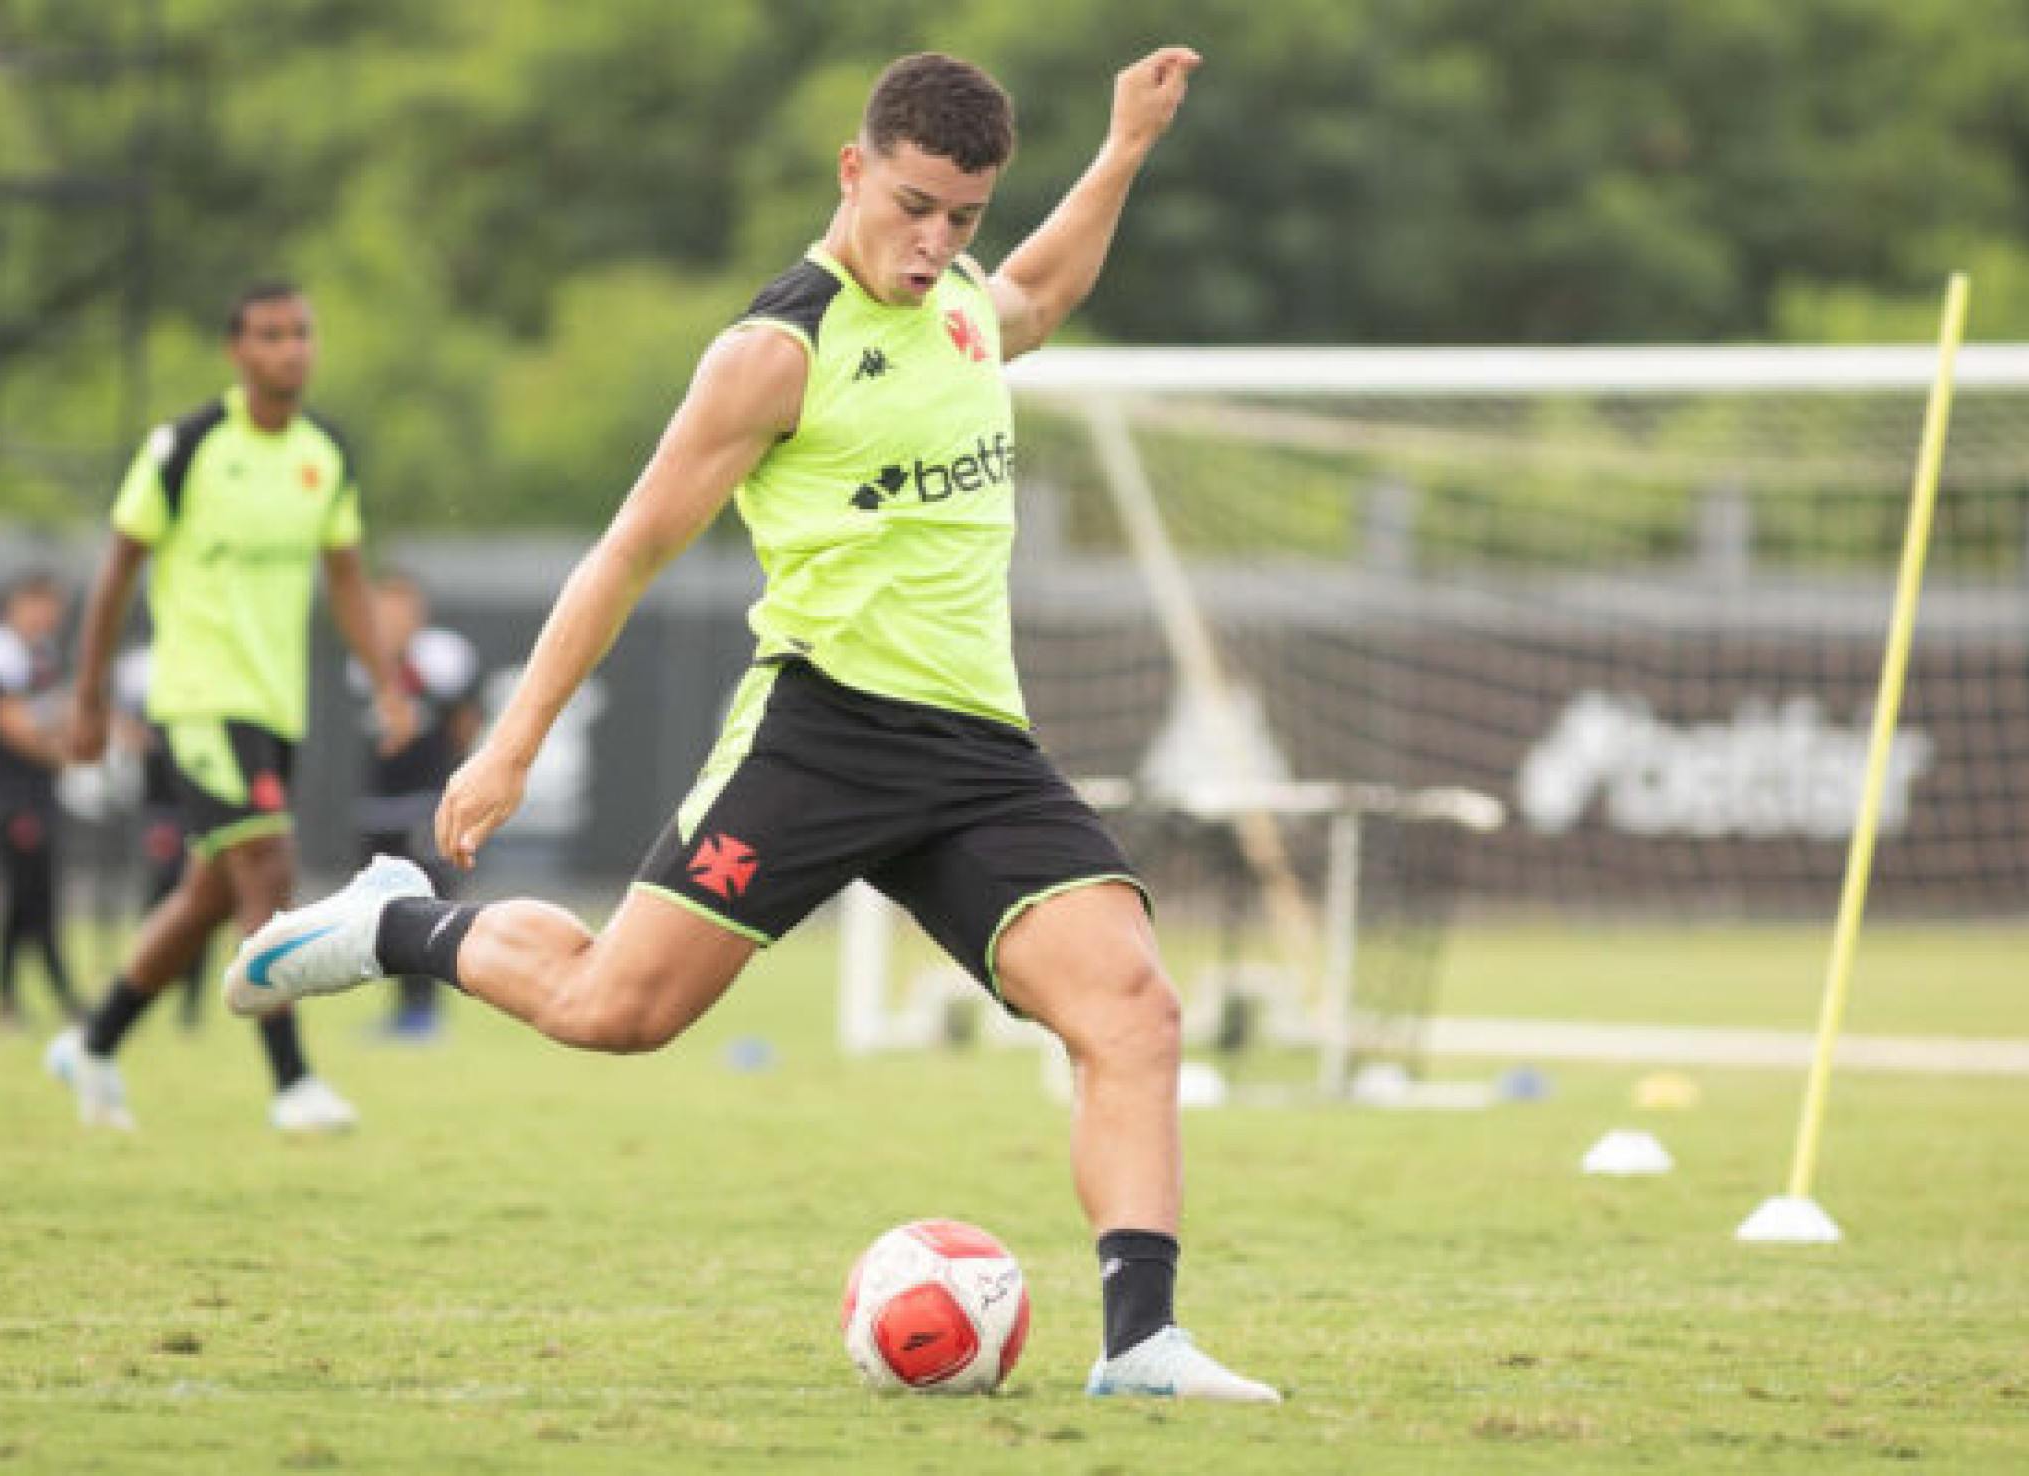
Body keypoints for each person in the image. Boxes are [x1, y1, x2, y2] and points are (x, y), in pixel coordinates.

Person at [231, 51, 1278, 1401]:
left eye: (963, 216)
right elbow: (624, 553)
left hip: (975, 752)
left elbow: (1046, 289)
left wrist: (1125, 145)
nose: (937, 241)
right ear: (854, 171)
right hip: (822, 733)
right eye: (914, 207)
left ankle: (1140, 1343)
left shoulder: (959, 300)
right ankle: (394, 923)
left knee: (1134, 1010)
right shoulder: (774, 351)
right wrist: (509, 745)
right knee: (617, 1011)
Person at [51, 279, 415, 1132]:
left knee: (211, 894)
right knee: (270, 866)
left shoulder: (324, 455)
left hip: (274, 706)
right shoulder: (186, 445)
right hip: (199, 699)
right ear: (237, 351)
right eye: (270, 334)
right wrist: (90, 696)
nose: (290, 348)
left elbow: (348, 580)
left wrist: (388, 683)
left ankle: (93, 1044)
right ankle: (292, 1084)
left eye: (301, 333)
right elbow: (116, 571)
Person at [344, 571, 482, 1041]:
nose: (390, 620)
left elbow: (464, 719)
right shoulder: (365, 662)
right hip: (379, 806)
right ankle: (402, 1010)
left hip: (425, 804)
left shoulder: (440, 659)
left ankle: (426, 1013)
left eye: (399, 610)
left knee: (427, 901)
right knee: (384, 910)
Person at [0, 571, 86, 1030]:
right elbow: (10, 724)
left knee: (39, 894)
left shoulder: (43, 654)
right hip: (11, 796)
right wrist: (62, 755)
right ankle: (25, 998)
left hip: (40, 792)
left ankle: (28, 999)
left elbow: (57, 713)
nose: (49, 617)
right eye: (41, 605)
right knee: (24, 895)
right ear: (17, 604)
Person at [113, 646, 210, 1031]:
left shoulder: (210, 662)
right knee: (161, 895)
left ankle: (191, 1004)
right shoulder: (139, 668)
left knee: (204, 901)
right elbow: (122, 724)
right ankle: (140, 992)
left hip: (202, 804)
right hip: (163, 808)